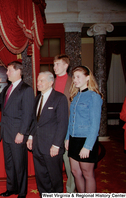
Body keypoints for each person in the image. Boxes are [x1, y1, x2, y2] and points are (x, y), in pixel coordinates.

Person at [0, 61, 34, 198]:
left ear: (18, 71)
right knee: (9, 164)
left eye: (9, 70)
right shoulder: (7, 88)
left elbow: (28, 114)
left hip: (17, 134)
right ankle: (11, 188)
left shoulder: (26, 89)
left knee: (20, 165)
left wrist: (22, 133)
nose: (7, 73)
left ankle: (22, 192)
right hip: (6, 133)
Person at [27, 71, 68, 194]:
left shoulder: (60, 98)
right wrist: (30, 136)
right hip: (37, 145)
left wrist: (56, 145)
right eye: (38, 80)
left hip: (52, 147)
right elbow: (34, 121)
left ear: (51, 83)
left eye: (41, 81)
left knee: (55, 178)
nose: (38, 83)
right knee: (41, 177)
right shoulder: (37, 98)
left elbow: (62, 124)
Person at [65, 65, 103, 193]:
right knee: (75, 172)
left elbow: (95, 125)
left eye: (78, 77)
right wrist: (67, 138)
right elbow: (71, 121)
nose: (75, 79)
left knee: (88, 174)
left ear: (87, 78)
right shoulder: (75, 97)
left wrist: (88, 146)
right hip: (74, 139)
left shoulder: (94, 96)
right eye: (74, 77)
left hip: (86, 140)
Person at [53, 54, 75, 193]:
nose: (54, 67)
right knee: (54, 163)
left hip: (68, 129)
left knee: (69, 164)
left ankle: (71, 190)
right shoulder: (51, 82)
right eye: (54, 64)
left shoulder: (73, 83)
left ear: (66, 66)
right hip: (52, 130)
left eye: (57, 64)